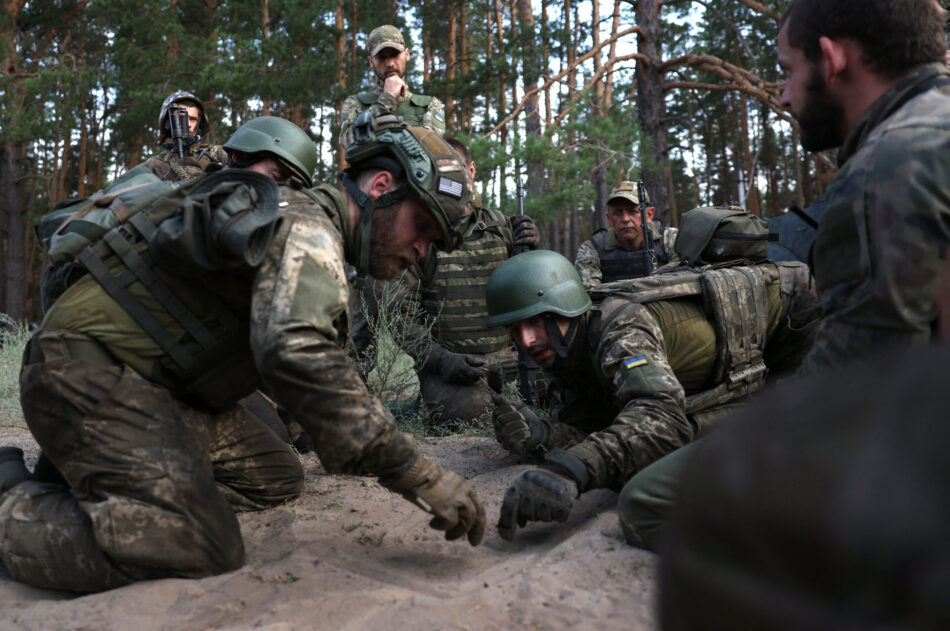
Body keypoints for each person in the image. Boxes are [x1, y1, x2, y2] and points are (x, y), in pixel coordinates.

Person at [0, 112, 484, 594]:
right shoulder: (308, 227)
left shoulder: (305, 226)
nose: (422, 250)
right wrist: (412, 471)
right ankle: (11, 503)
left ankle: (95, 478)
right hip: (89, 371)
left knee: (272, 474)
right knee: (202, 541)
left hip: (162, 385)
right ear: (381, 186)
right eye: (422, 226)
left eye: (434, 243)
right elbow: (296, 351)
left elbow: (295, 358)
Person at [484, 249, 818, 541]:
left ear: (565, 307)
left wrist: (571, 469)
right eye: (515, 330)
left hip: (798, 329)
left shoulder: (621, 329)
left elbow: (661, 419)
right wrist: (542, 435)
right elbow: (597, 427)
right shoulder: (567, 351)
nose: (526, 341)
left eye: (535, 323)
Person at [777, 0, 950, 375]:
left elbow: (844, 404)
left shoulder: (881, 174)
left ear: (831, 59)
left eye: (788, 71)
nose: (784, 96)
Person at [352, 137, 540, 423]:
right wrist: (440, 359)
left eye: (459, 173)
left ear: (472, 171)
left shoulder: (501, 226)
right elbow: (399, 315)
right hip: (452, 367)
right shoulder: (420, 236)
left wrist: (534, 250)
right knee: (469, 413)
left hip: (509, 360)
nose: (451, 184)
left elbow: (533, 295)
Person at [339, 24, 445, 150]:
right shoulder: (355, 103)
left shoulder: (430, 105)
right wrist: (386, 100)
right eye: (381, 57)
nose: (389, 64)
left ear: (407, 54)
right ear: (371, 62)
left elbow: (431, 147)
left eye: (395, 55)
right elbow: (348, 142)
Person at [574, 181, 673, 289]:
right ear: (609, 218)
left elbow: (687, 280)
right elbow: (589, 295)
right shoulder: (593, 250)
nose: (625, 219)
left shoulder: (670, 240)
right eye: (617, 213)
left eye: (633, 211)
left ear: (649, 214)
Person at [140, 91, 229, 181]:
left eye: (193, 119)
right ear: (168, 122)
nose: (188, 124)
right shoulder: (155, 165)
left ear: (199, 124)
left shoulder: (217, 153)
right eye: (181, 118)